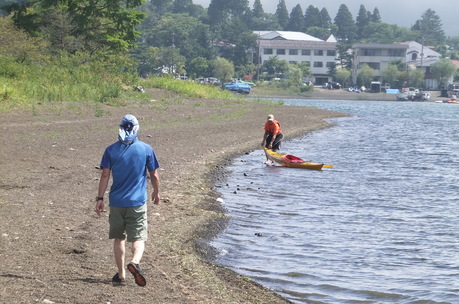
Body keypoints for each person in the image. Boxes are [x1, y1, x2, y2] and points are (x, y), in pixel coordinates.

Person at [95, 114, 160, 287]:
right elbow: (153, 174)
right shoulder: (146, 149)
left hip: (117, 202)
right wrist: (156, 192)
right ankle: (135, 262)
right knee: (138, 238)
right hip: (137, 202)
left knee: (119, 238)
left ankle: (122, 274)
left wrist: (100, 198)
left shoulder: (110, 150)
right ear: (137, 129)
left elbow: (105, 174)